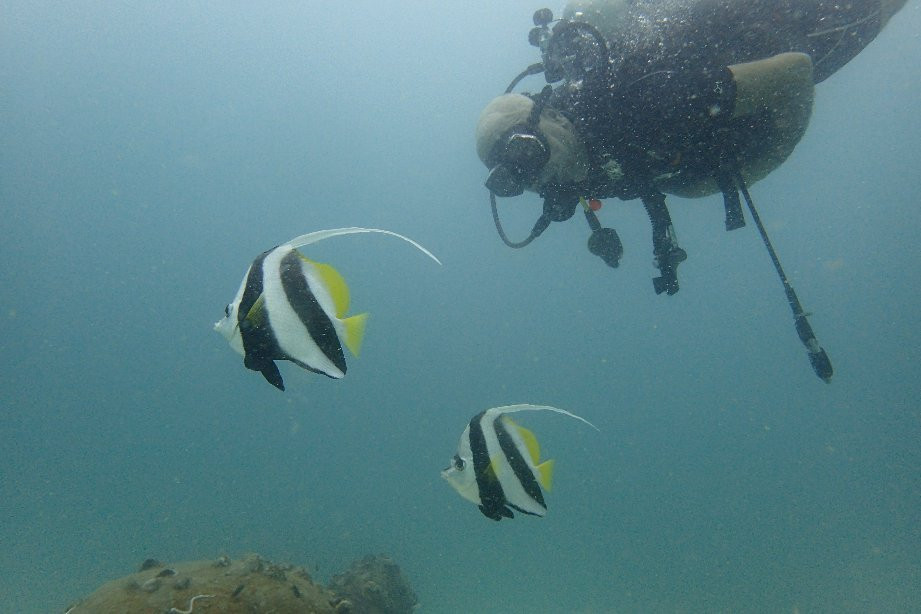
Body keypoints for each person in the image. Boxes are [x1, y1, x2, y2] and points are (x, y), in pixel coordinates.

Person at [477, 0, 907, 295]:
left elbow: (795, 74)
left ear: (549, 114)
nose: (537, 178)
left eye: (528, 153)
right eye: (516, 179)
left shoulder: (648, 100)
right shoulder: (590, 156)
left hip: (803, 20)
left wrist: (721, 179)